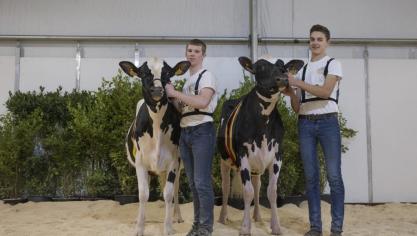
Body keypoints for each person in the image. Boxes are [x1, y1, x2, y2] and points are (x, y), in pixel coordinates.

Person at [284, 24, 345, 236]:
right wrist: (290, 92)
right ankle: (315, 227)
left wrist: (297, 82)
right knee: (310, 177)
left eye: (319, 39)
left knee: (333, 175)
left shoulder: (333, 64)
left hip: (328, 121)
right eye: (312, 39)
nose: (315, 42)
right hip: (305, 122)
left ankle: (336, 228)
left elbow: (326, 91)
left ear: (327, 42)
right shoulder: (302, 69)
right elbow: (297, 107)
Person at [165, 39, 217, 236]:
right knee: (194, 183)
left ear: (203, 55)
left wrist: (175, 92)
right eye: (189, 51)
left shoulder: (207, 76)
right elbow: (185, 108)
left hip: (202, 129)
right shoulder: (188, 82)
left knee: (202, 182)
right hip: (186, 130)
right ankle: (197, 225)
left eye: (196, 51)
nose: (192, 54)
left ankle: (205, 227)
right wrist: (172, 98)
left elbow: (203, 102)